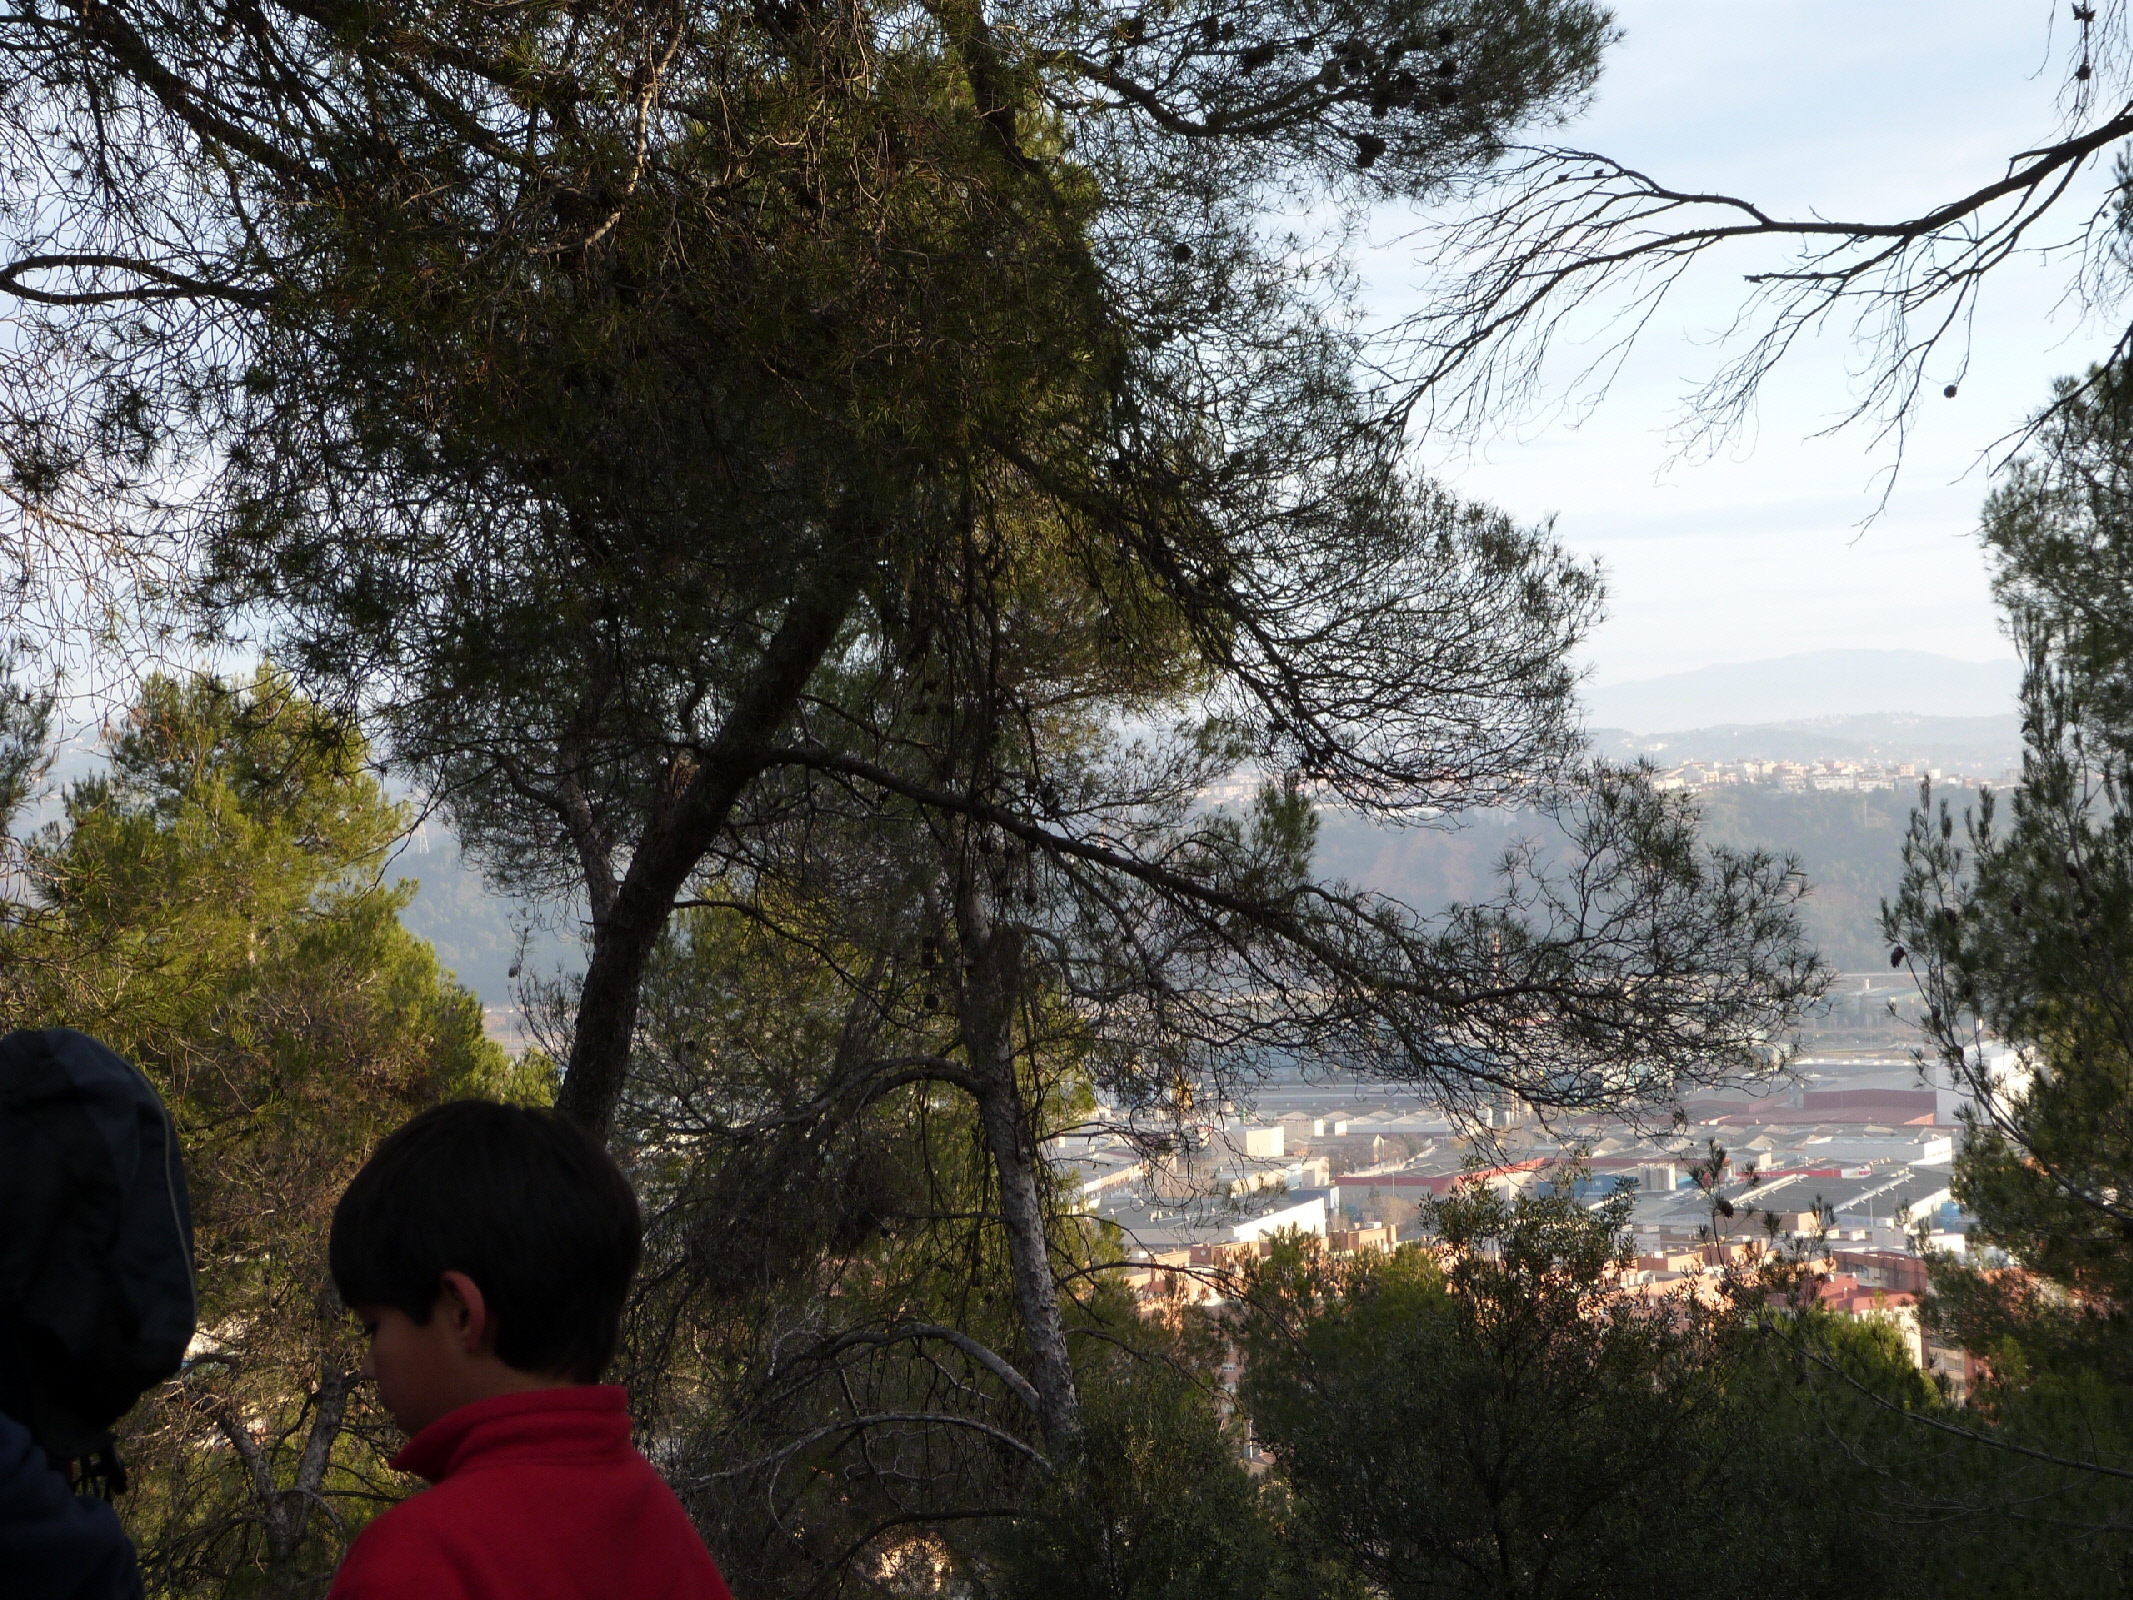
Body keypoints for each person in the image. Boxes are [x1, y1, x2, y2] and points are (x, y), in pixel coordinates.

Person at [325, 1101, 731, 1600]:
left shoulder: (415, 1559)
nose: (369, 1365)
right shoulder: (658, 1524)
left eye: (373, 1327)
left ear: (462, 1315)